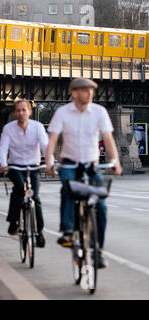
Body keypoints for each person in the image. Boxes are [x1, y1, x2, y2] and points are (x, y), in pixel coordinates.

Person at [45, 78, 123, 268]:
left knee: (102, 206)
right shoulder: (62, 113)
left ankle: (99, 251)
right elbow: (53, 139)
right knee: (68, 190)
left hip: (91, 165)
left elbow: (108, 138)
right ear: (74, 93)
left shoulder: (99, 112)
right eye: (85, 90)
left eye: (91, 90)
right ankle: (68, 230)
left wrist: (116, 162)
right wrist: (49, 161)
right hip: (70, 164)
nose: (89, 93)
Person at [0, 99, 49, 248]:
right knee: (20, 189)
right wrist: (3, 164)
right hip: (15, 166)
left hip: (33, 166)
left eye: (24, 110)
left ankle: (39, 232)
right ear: (15, 113)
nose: (21, 113)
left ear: (29, 112)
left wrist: (50, 162)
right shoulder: (9, 128)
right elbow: (3, 148)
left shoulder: (38, 127)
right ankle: (13, 222)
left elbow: (46, 145)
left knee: (35, 197)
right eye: (18, 110)